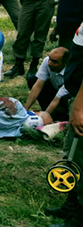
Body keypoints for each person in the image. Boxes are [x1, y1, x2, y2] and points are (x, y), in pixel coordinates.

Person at [46, 22, 83, 227]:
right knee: (71, 154)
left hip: (82, 101)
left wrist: (79, 106)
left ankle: (79, 217)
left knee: (80, 157)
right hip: (77, 96)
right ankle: (71, 204)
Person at [25, 47, 70, 122]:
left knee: (65, 99)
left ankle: (62, 117)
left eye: (54, 62)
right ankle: (48, 113)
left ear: (65, 64)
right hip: (55, 90)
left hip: (68, 96)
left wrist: (42, 120)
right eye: (49, 58)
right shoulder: (47, 61)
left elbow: (56, 99)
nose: (49, 63)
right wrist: (24, 111)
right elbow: (38, 86)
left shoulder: (70, 73)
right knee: (32, 80)